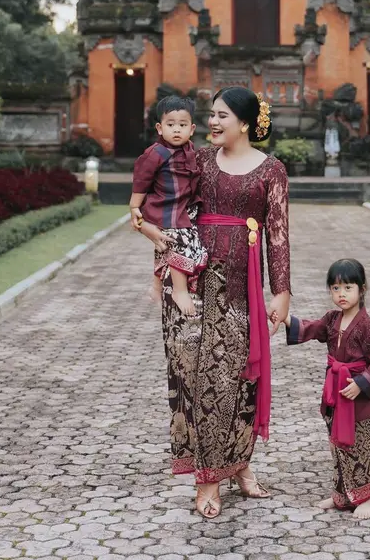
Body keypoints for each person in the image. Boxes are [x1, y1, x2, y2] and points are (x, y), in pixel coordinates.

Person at [135, 87, 291, 520]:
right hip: (189, 281)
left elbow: (277, 233)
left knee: (237, 379)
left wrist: (282, 292)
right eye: (211, 115)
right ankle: (207, 478)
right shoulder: (193, 159)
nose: (213, 122)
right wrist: (152, 239)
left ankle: (237, 463)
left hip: (240, 288)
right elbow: (157, 201)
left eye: (223, 116)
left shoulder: (272, 170)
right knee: (192, 377)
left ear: (245, 123)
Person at [284, 259, 370, 521]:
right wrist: (286, 319)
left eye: (348, 288)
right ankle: (341, 494)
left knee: (360, 444)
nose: (341, 294)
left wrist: (361, 383)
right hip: (335, 393)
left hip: (358, 398)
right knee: (337, 445)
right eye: (335, 288)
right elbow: (311, 328)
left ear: (362, 289)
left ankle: (367, 496)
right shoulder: (332, 320)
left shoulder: (368, 326)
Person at [130, 95, 208, 318]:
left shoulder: (191, 150)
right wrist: (134, 206)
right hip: (165, 207)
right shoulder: (157, 152)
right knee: (177, 241)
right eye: (170, 124)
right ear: (159, 127)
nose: (176, 130)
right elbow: (141, 179)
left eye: (182, 125)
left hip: (182, 206)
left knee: (165, 244)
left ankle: (156, 285)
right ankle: (179, 290)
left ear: (192, 129)